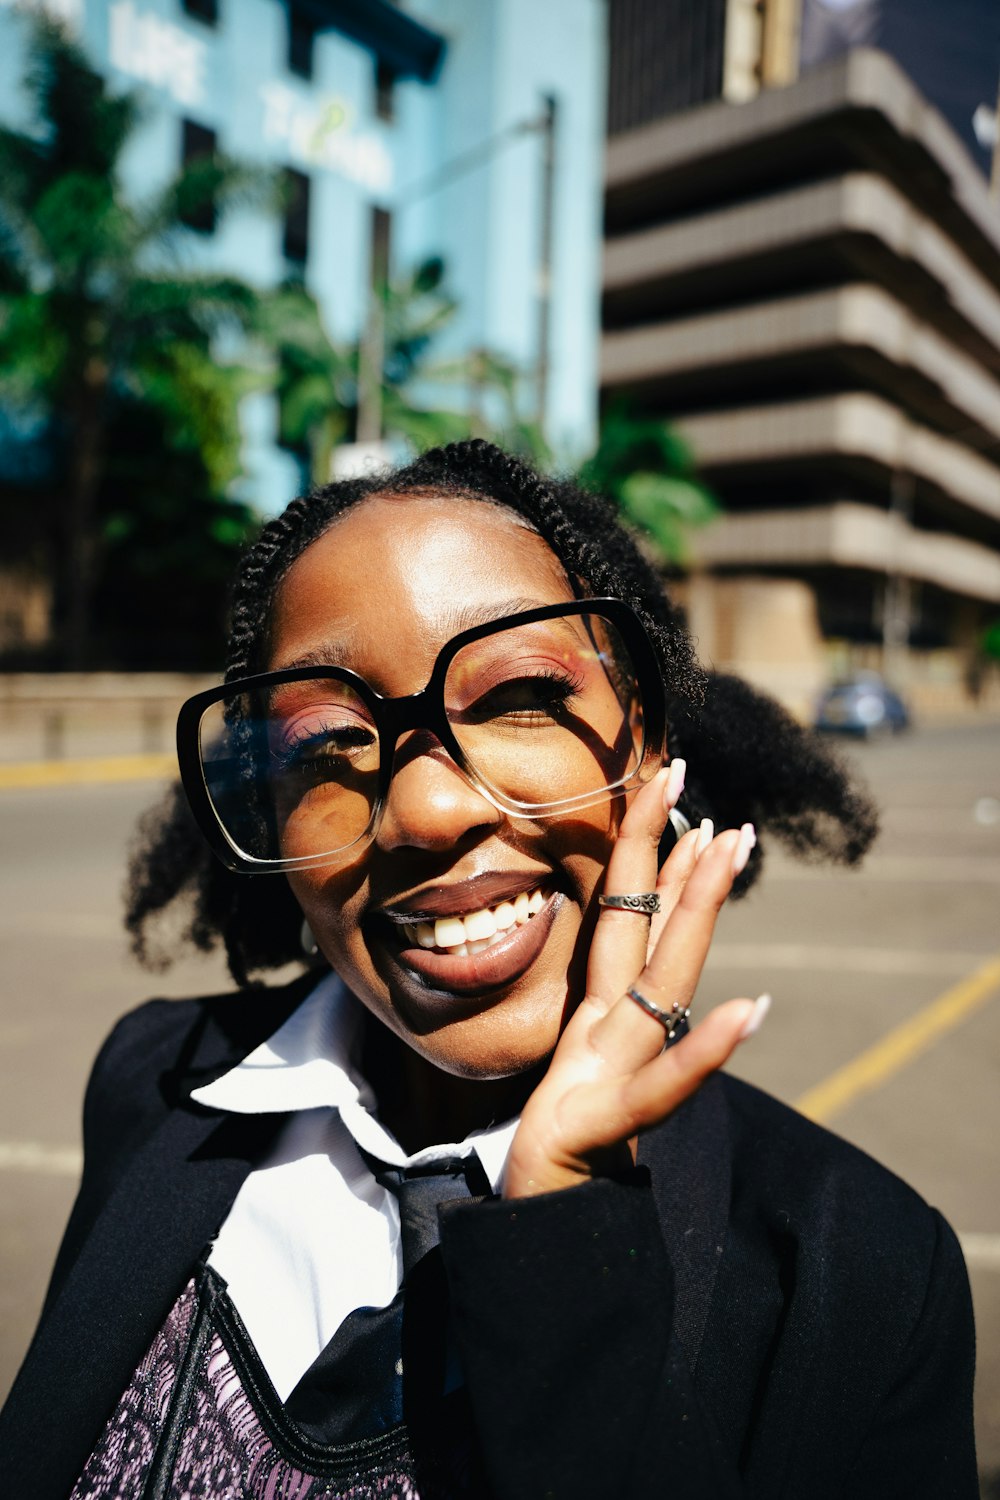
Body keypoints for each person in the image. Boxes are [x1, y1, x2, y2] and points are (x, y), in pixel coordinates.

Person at [0, 440, 977, 1499]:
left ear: (644, 736)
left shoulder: (854, 1269)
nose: (426, 809)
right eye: (328, 743)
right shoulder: (150, 1083)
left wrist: (562, 1224)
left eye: (516, 694)